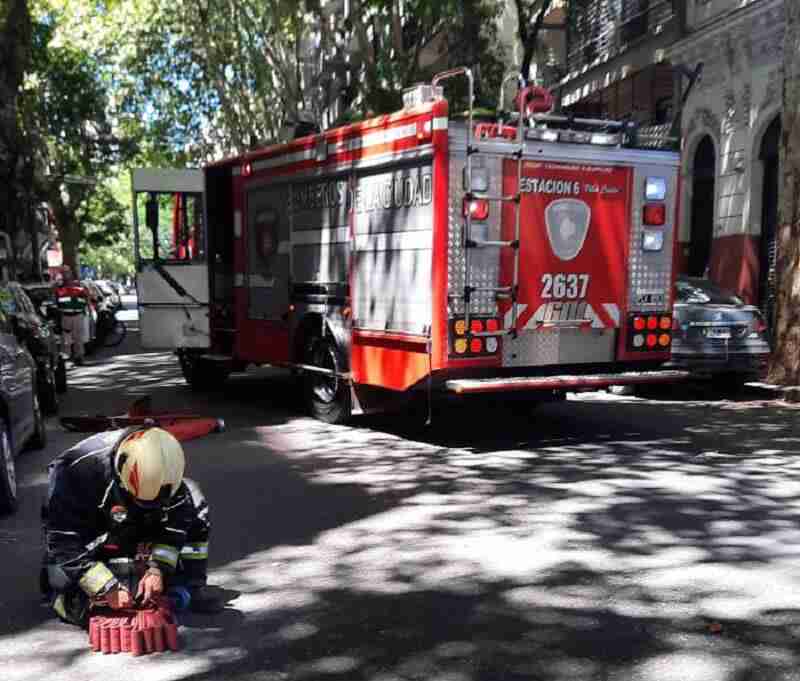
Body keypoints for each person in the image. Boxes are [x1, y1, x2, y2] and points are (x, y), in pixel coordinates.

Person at [41, 427, 221, 626]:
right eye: (141, 501)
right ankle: (67, 601)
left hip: (140, 525)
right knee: (60, 578)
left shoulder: (168, 469)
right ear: (122, 473)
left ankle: (192, 585)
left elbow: (176, 526)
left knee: (195, 504)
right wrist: (105, 587)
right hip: (96, 526)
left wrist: (158, 568)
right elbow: (63, 539)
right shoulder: (77, 471)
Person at [55, 267, 90, 365]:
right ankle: (67, 359)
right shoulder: (59, 287)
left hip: (76, 316)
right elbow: (56, 302)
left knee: (77, 338)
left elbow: (86, 299)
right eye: (64, 273)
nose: (66, 275)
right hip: (67, 316)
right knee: (66, 339)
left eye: (68, 273)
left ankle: (78, 358)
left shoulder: (79, 286)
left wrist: (87, 311)